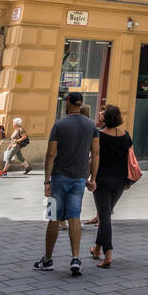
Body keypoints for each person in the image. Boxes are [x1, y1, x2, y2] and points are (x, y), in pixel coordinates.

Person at [34, 91, 98, 276]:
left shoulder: (59, 124)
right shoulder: (91, 126)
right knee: (74, 217)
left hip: (59, 177)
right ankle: (75, 258)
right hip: (79, 179)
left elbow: (50, 154)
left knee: (53, 217)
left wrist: (47, 179)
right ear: (81, 104)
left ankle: (47, 259)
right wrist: (92, 178)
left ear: (68, 103)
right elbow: (96, 153)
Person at [89, 104, 132, 269]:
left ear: (105, 118)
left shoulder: (99, 135)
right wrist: (128, 180)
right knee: (104, 214)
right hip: (120, 181)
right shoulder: (125, 135)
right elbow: (130, 159)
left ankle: (108, 254)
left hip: (103, 180)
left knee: (104, 217)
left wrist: (90, 178)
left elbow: (94, 157)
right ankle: (97, 249)